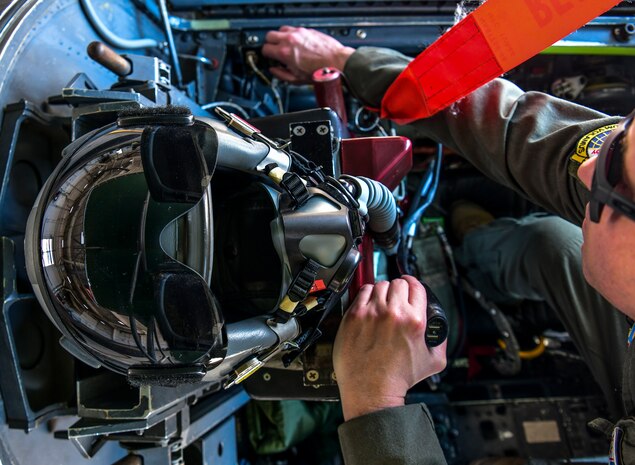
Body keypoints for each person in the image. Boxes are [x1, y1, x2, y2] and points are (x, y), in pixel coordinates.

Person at [262, 26, 635, 463]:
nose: (588, 171)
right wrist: (349, 60)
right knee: (550, 241)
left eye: (613, 182)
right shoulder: (614, 170)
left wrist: (375, 397)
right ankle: (472, 239)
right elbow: (516, 123)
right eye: (616, 146)